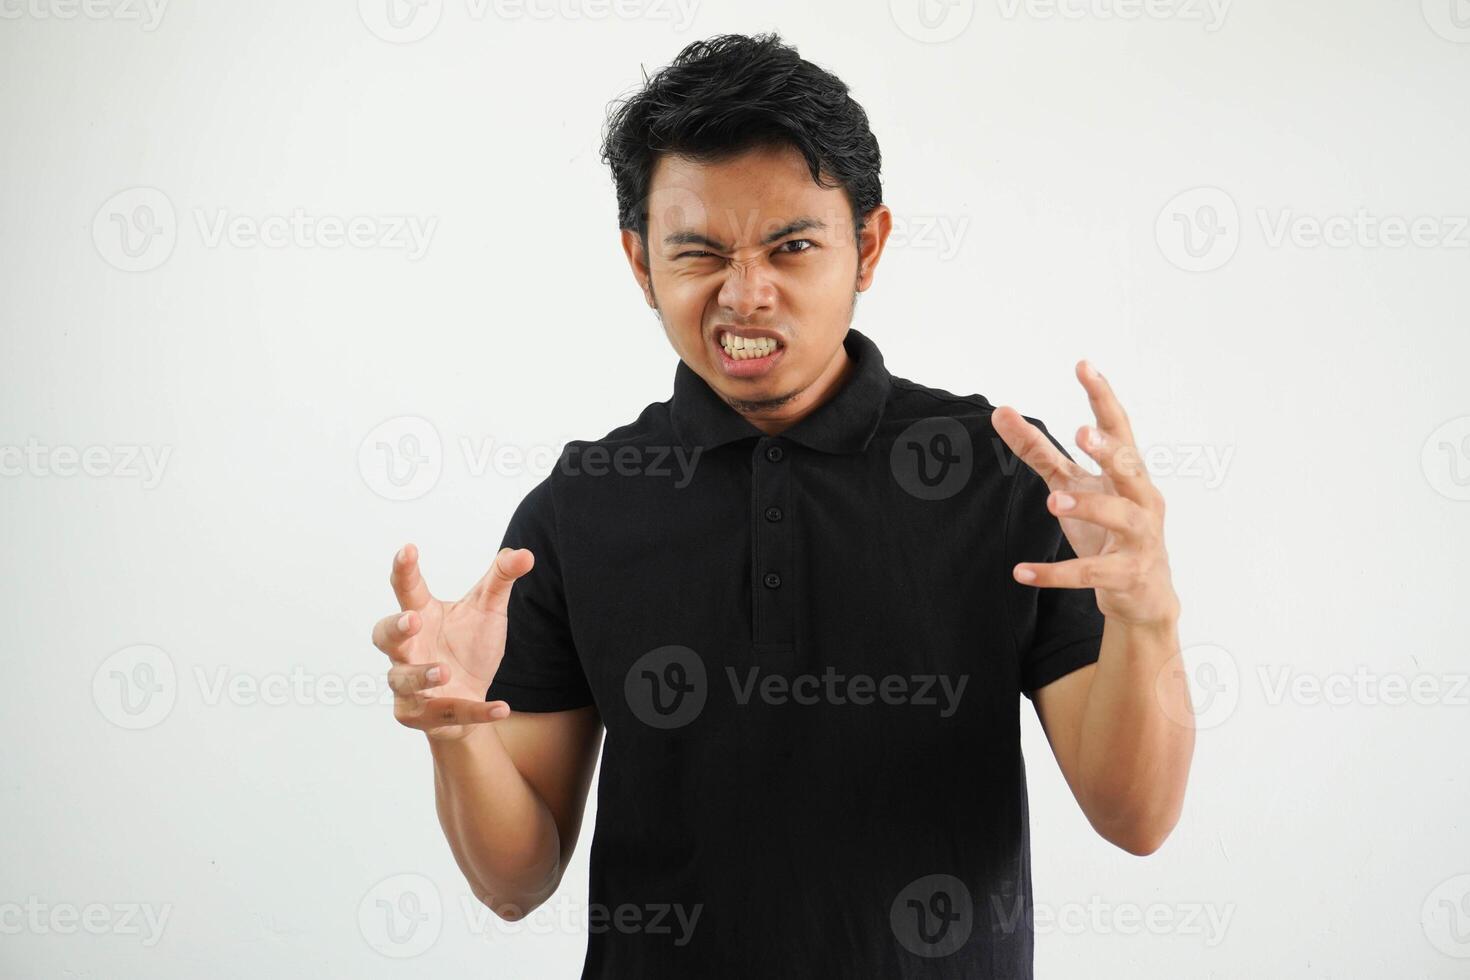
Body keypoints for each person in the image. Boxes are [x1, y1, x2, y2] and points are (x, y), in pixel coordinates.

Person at [369, 32, 1193, 979]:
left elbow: (1136, 822)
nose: (746, 294)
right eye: (698, 253)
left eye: (792, 245)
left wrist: (1149, 616)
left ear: (868, 245)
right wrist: (456, 727)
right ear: (641, 266)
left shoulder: (1003, 475)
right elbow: (515, 885)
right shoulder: (580, 507)